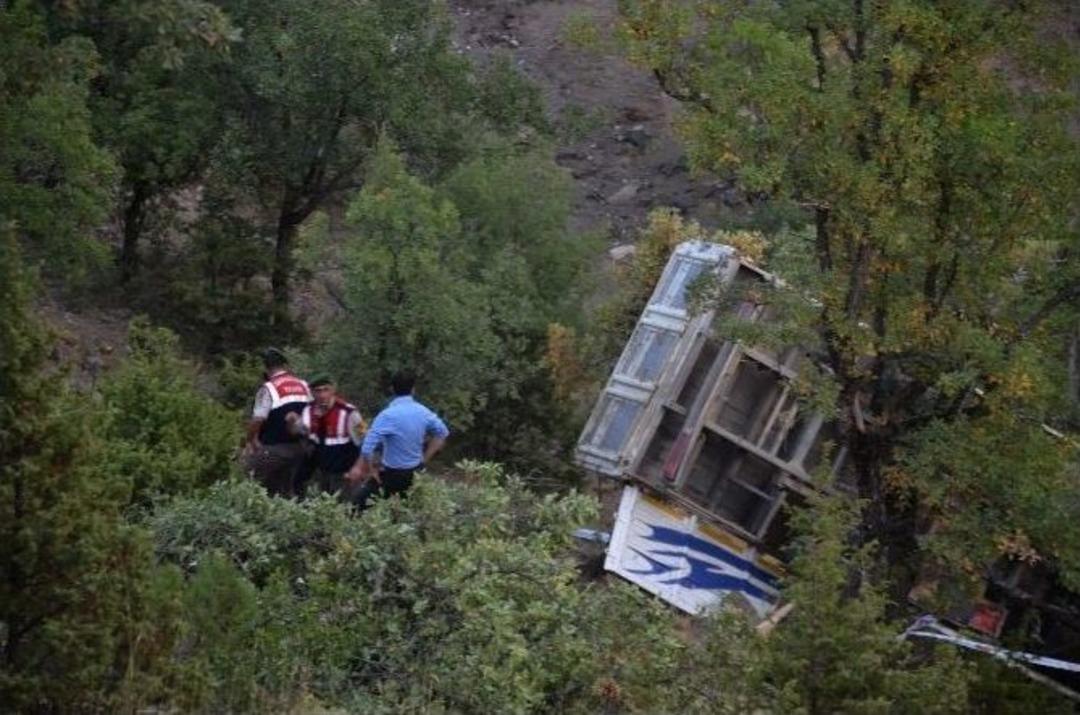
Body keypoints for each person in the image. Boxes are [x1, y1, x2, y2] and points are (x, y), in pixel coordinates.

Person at [348, 369, 449, 509]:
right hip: (414, 473)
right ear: (413, 390)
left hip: (390, 475)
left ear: (392, 389)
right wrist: (424, 459)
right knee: (408, 513)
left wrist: (371, 470)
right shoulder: (423, 412)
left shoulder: (387, 415)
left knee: (356, 507)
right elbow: (442, 432)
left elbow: (367, 448)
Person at [244, 348, 312, 497]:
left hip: (273, 449)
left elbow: (257, 420)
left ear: (265, 368)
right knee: (289, 492)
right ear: (285, 365)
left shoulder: (269, 388)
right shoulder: (304, 385)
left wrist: (250, 441)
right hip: (300, 449)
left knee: (249, 483)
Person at [294, 376, 367, 500]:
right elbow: (300, 433)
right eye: (318, 391)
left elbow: (366, 439)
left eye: (326, 390)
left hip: (344, 474)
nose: (322, 395)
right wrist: (292, 423)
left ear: (333, 390)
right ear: (312, 393)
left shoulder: (349, 412)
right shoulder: (308, 411)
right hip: (320, 474)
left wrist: (359, 467)